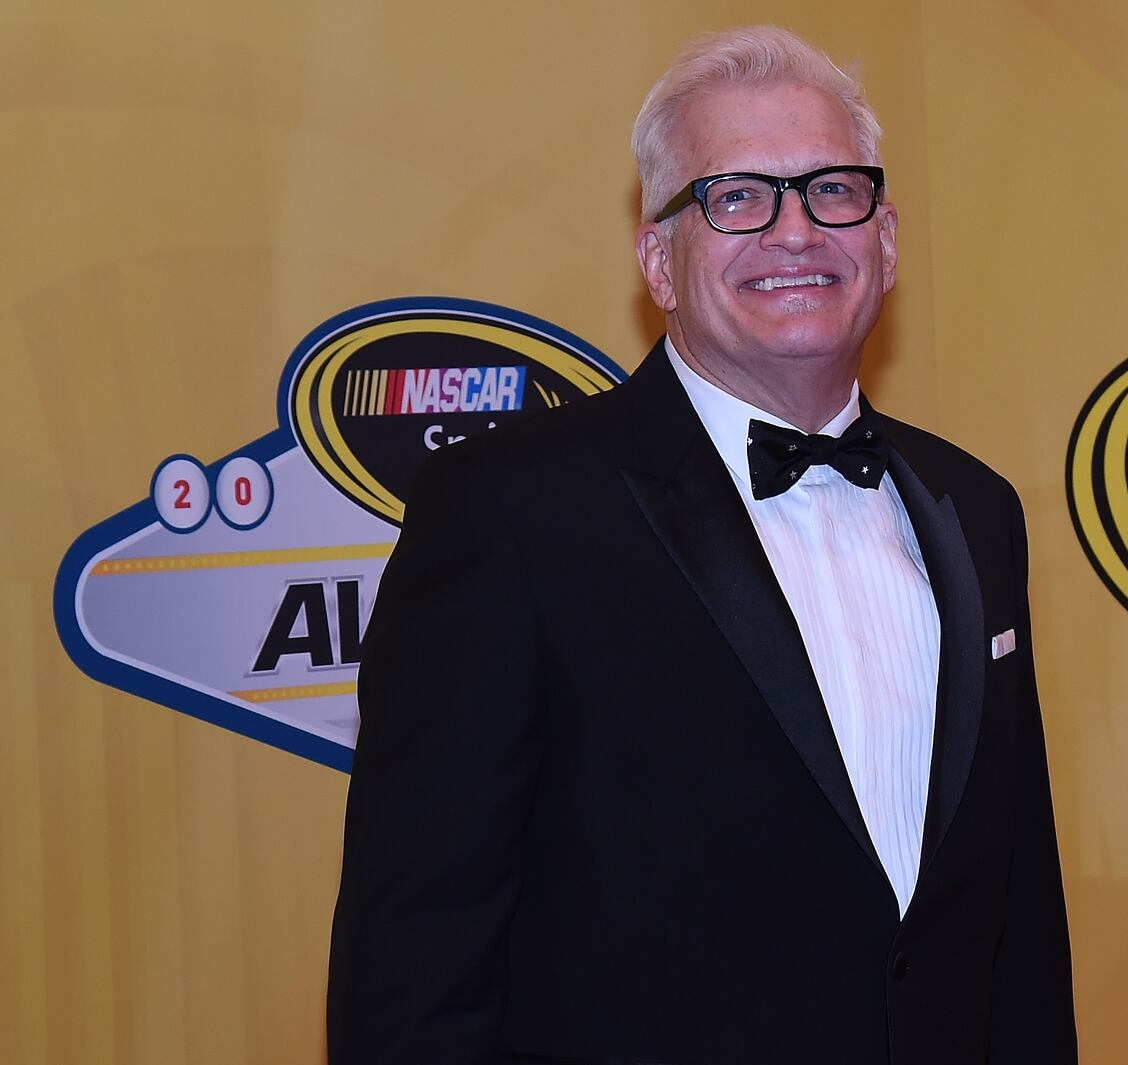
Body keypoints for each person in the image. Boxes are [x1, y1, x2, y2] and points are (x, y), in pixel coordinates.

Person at [328, 25, 1076, 1065]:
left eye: (832, 190)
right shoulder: (510, 508)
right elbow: (416, 955)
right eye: (736, 197)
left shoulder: (975, 508)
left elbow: (1015, 918)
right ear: (658, 260)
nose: (794, 231)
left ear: (887, 239)